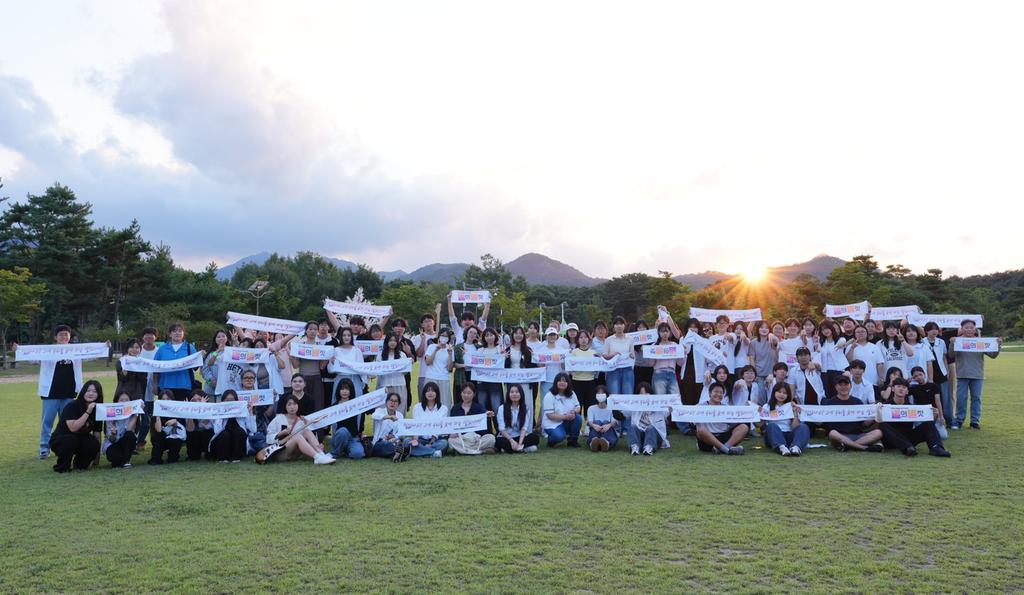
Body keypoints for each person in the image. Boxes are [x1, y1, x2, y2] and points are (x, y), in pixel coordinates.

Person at [31, 325, 83, 460]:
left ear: (70, 337)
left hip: (69, 393)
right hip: (51, 393)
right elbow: (33, 357)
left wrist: (105, 346)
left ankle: (64, 447)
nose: (64, 337)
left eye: (66, 334)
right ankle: (44, 449)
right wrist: (18, 350)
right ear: (55, 337)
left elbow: (92, 355)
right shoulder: (48, 350)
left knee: (67, 422)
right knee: (47, 422)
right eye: (61, 334)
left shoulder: (76, 350)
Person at [877, 378, 951, 457]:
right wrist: (878, 413)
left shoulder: (911, 407)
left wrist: (934, 416)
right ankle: (907, 448)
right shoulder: (885, 406)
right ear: (893, 389)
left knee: (928, 424)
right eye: (898, 386)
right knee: (882, 424)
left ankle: (936, 448)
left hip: (909, 437)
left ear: (907, 391)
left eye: (904, 387)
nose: (901, 389)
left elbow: (928, 426)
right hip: (891, 439)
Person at [952, 320, 1001, 430]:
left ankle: (974, 422)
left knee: (976, 399)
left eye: (971, 327)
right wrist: (952, 344)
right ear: (962, 329)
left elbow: (993, 355)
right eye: (966, 327)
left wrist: (998, 346)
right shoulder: (958, 341)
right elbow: (951, 354)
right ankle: (959, 420)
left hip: (977, 375)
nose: (969, 329)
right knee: (961, 398)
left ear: (975, 329)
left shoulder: (981, 342)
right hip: (962, 374)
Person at [49, 379, 103, 472]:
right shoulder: (72, 406)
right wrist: (88, 412)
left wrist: (96, 459)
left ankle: (80, 465)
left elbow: (97, 433)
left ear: (99, 395)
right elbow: (73, 428)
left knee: (93, 443)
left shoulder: (98, 410)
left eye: (94, 391)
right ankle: (62, 466)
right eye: (88, 391)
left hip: (80, 439)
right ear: (83, 392)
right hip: (61, 439)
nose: (91, 393)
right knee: (71, 440)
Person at [266, 395, 336, 465]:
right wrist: (281, 433)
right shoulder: (279, 418)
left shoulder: (302, 420)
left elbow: (309, 440)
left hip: (295, 454)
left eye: (294, 404)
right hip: (280, 452)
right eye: (289, 404)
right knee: (298, 437)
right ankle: (317, 457)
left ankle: (321, 454)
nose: (292, 407)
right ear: (285, 406)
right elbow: (268, 438)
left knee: (306, 431)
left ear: (298, 406)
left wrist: (307, 425)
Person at [823, 376, 884, 452]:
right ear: (836, 387)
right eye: (840, 385)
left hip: (858, 435)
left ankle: (848, 446)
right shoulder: (829, 403)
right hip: (839, 435)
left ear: (850, 386)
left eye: (846, 384)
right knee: (832, 433)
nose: (843, 387)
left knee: (878, 432)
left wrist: (875, 415)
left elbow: (864, 424)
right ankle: (864, 448)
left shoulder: (857, 402)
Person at [152, 323, 203, 401]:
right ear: (170, 334)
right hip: (165, 386)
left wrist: (200, 358)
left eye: (180, 331)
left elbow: (195, 368)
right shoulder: (162, 349)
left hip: (185, 386)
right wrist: (155, 385)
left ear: (183, 333)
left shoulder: (190, 348)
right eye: (174, 331)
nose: (177, 333)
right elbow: (155, 369)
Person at [695, 382, 748, 455]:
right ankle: (727, 450)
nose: (719, 394)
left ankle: (723, 448)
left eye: (721, 393)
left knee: (744, 427)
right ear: (710, 393)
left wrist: (755, 411)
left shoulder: (726, 408)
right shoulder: (699, 407)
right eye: (716, 392)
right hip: (708, 439)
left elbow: (735, 423)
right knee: (700, 430)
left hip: (724, 437)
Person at [290, 321, 328, 417]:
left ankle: (317, 430)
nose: (312, 331)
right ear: (306, 331)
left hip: (316, 378)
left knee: (317, 405)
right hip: (303, 378)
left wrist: (328, 357)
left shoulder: (320, 346)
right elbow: (296, 365)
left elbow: (322, 366)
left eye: (315, 329)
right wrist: (291, 354)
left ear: (318, 331)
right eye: (310, 329)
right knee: (301, 404)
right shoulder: (300, 345)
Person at [762, 383, 809, 456]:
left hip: (788, 434)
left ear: (788, 395)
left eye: (784, 393)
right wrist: (757, 413)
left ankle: (795, 448)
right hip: (774, 435)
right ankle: (781, 447)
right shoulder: (767, 406)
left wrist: (795, 414)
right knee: (772, 425)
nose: (781, 395)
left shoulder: (791, 406)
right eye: (779, 392)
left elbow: (794, 427)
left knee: (803, 427)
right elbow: (759, 424)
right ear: (774, 392)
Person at [449, 383, 496, 455]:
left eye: (469, 393)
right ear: (461, 394)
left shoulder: (478, 407)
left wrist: (487, 414)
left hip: (476, 438)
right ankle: (480, 451)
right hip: (462, 438)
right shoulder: (455, 408)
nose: (466, 395)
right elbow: (451, 426)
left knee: (491, 438)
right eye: (464, 393)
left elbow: (484, 412)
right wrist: (453, 434)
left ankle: (464, 451)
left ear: (474, 394)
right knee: (450, 440)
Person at [209, 389, 256, 463]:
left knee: (239, 431)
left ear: (236, 401)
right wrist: (222, 414)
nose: (229, 402)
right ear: (222, 401)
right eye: (226, 400)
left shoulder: (243, 411)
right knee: (225, 433)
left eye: (232, 399)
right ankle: (223, 458)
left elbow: (253, 430)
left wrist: (250, 412)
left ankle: (236, 458)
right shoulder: (218, 412)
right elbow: (216, 431)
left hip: (238, 446)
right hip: (222, 445)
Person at [406, 382, 450, 458]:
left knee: (444, 443)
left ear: (437, 393)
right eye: (428, 391)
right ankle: (433, 452)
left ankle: (421, 451)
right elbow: (415, 425)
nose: (430, 393)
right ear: (424, 393)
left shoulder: (443, 408)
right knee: (406, 441)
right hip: (420, 439)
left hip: (435, 440)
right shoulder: (417, 407)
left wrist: (431, 443)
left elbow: (439, 428)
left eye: (433, 391)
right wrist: (415, 440)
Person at [327, 378, 367, 460]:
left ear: (351, 391)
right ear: (338, 390)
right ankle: (335, 453)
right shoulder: (334, 407)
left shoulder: (356, 405)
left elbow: (365, 415)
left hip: (353, 438)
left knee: (358, 454)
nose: (344, 391)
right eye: (342, 389)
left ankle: (345, 449)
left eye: (347, 389)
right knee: (343, 431)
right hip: (339, 437)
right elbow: (325, 422)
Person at [134, 326, 160, 452]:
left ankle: (144, 441)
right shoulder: (138, 350)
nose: (149, 337)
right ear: (143, 337)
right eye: (146, 334)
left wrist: (155, 385)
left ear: (156, 337)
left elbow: (159, 370)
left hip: (151, 389)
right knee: (139, 418)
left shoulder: (159, 351)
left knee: (149, 418)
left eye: (152, 335)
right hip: (138, 388)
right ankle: (138, 441)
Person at [627, 382, 670, 456]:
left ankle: (649, 448)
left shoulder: (658, 405)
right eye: (641, 393)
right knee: (632, 427)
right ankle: (635, 447)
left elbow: (668, 411)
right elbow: (622, 411)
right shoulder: (634, 406)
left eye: (646, 392)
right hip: (640, 436)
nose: (644, 395)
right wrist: (614, 400)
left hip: (655, 438)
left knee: (650, 428)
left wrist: (674, 402)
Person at [922, 322, 952, 427]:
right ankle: (933, 419)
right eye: (931, 329)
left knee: (945, 397)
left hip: (941, 373)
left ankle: (948, 419)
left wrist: (947, 371)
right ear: (926, 331)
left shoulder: (941, 342)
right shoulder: (922, 342)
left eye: (936, 329)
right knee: (932, 397)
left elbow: (944, 357)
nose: (934, 331)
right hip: (928, 374)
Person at [540, 373, 582, 448]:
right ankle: (551, 441)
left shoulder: (572, 394)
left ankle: (573, 441)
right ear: (555, 382)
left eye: (564, 381)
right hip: (552, 423)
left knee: (578, 418)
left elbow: (578, 407)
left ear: (568, 383)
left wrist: (574, 412)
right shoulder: (549, 396)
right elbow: (550, 415)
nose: (562, 383)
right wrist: (565, 417)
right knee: (559, 437)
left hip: (566, 421)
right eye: (559, 381)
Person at [474, 328, 504, 429]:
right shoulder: (480, 350)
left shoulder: (499, 349)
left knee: (497, 408)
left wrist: (504, 356)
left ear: (495, 336)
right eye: (487, 335)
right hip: (482, 383)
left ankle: (499, 430)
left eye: (491, 335)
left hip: (495, 383)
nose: (489, 337)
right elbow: (475, 364)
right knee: (483, 408)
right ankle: (486, 431)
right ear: (484, 338)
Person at [496, 384, 539, 453]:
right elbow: (501, 429)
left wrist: (519, 443)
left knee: (535, 438)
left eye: (517, 392)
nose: (514, 394)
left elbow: (524, 428)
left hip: (520, 437)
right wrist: (511, 441)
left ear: (521, 394)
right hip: (507, 437)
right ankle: (522, 449)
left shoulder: (526, 408)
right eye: (512, 392)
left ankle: (512, 449)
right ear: (508, 394)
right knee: (499, 441)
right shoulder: (502, 408)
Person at [103, 389, 140, 468]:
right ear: (116, 402)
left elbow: (129, 431)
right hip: (113, 443)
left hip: (125, 442)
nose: (124, 402)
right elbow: (112, 439)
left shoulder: (132, 414)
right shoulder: (110, 412)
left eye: (127, 400)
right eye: (121, 400)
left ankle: (126, 461)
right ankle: (120, 460)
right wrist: (113, 433)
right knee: (114, 458)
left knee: (130, 435)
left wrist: (136, 413)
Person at [148, 390, 186, 465]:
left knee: (175, 441)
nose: (165, 402)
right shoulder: (155, 414)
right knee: (159, 436)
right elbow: (158, 430)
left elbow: (182, 432)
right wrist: (157, 413)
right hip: (160, 440)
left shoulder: (178, 412)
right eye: (163, 399)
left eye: (168, 399)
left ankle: (173, 457)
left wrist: (175, 421)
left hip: (174, 439)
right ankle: (156, 459)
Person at [570, 329, 600, 423]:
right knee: (578, 404)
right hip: (576, 381)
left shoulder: (593, 353)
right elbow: (570, 368)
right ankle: (577, 426)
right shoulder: (574, 352)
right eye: (581, 337)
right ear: (578, 340)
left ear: (589, 339)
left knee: (590, 404)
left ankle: (588, 425)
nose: (583, 339)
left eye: (585, 337)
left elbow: (597, 369)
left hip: (590, 381)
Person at [909, 366, 947, 439]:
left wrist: (941, 416)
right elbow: (904, 393)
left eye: (920, 375)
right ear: (913, 378)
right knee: (918, 433)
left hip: (934, 414)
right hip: (920, 415)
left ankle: (932, 430)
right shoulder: (913, 388)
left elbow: (938, 401)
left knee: (943, 436)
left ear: (924, 374)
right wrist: (908, 382)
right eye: (916, 376)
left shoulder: (933, 386)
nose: (919, 377)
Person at [378, 332, 411, 413]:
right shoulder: (380, 355)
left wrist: (408, 364)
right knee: (383, 410)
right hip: (384, 386)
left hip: (399, 385)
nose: (392, 343)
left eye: (394, 341)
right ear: (386, 342)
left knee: (399, 410)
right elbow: (377, 371)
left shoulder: (402, 355)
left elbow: (405, 372)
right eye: (390, 340)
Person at [422, 328, 455, 409]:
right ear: (439, 336)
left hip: (444, 378)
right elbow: (428, 362)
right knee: (429, 402)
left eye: (446, 336)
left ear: (449, 338)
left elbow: (450, 368)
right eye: (442, 335)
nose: (444, 338)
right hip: (431, 377)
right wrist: (436, 350)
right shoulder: (431, 346)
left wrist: (450, 354)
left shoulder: (450, 349)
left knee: (444, 402)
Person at [602, 316, 635, 395]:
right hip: (613, 370)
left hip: (627, 370)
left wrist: (632, 355)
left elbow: (632, 354)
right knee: (614, 395)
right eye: (616, 324)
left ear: (624, 326)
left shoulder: (630, 339)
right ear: (613, 326)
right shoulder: (609, 340)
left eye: (621, 324)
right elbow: (604, 355)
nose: (619, 326)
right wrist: (612, 355)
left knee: (628, 395)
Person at [585, 386, 619, 452]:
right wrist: (594, 426)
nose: (600, 395)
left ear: (606, 395)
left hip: (608, 432)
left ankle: (606, 443)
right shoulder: (591, 408)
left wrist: (608, 425)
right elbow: (589, 422)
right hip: (595, 431)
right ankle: (594, 442)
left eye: (602, 393)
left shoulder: (611, 408)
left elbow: (615, 422)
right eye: (598, 393)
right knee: (597, 422)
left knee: (606, 422)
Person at [185, 389, 214, 461]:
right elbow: (190, 429)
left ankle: (209, 453)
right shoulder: (186, 411)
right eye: (193, 400)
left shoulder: (210, 409)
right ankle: (194, 454)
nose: (197, 402)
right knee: (192, 434)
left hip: (207, 436)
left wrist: (203, 407)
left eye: (199, 399)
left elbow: (206, 424)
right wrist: (189, 413)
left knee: (206, 432)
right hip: (195, 437)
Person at [200, 329, 230, 394]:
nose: (221, 338)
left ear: (227, 338)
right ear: (215, 340)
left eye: (223, 336)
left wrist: (236, 341)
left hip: (228, 388)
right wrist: (211, 381)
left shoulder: (231, 352)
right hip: (211, 390)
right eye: (218, 337)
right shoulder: (211, 354)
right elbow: (205, 370)